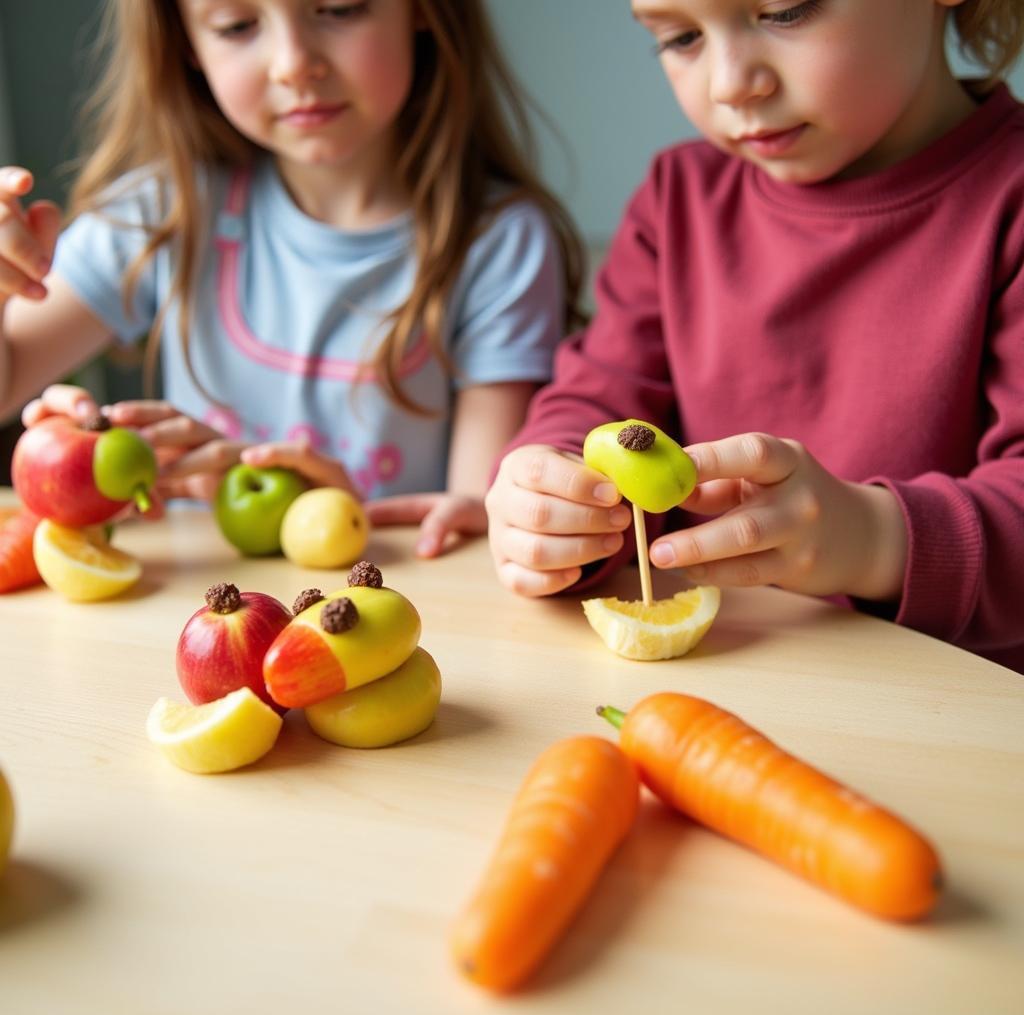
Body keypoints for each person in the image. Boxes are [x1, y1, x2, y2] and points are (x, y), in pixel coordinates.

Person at [485, 0, 1024, 673]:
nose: (730, 85)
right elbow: (597, 399)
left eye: (784, 12)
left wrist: (869, 538)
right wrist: (551, 496)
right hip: (719, 687)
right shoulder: (676, 202)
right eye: (681, 38)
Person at [0, 0, 584, 556]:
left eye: (338, 9)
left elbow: (472, 522)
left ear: (424, 10)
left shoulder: (499, 241)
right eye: (235, 25)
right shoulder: (163, 213)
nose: (293, 63)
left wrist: (329, 510)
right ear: (185, 44)